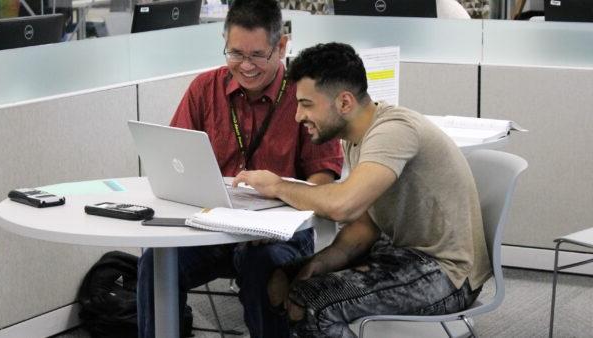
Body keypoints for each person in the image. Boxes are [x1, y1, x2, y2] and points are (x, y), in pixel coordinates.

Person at [233, 42, 492, 338]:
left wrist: (278, 186)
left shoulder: (393, 130)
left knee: (311, 303)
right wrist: (321, 262)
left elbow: (344, 205)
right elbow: (365, 226)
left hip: (447, 273)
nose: (298, 117)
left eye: (306, 105)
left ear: (344, 103)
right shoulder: (357, 135)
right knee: (277, 279)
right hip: (399, 255)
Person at [136, 1, 343, 337]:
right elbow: (174, 160)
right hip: (214, 227)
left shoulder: (302, 94)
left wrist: (284, 214)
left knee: (261, 265)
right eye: (235, 54)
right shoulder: (205, 89)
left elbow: (324, 175)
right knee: (155, 263)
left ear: (281, 47)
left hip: (280, 233)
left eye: (257, 56)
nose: (246, 66)